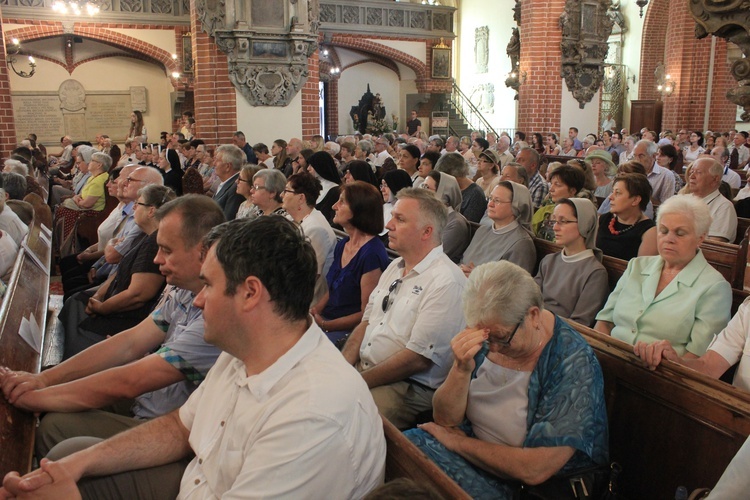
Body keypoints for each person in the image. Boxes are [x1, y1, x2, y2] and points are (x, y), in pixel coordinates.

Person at [0, 216, 387, 499]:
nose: (198, 300)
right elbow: (181, 427)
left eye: (208, 285)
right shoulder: (248, 349)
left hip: (206, 487)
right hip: (200, 480)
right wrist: (79, 465)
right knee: (69, 458)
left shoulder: (313, 417)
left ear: (250, 293)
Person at [0, 195, 226, 460]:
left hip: (170, 427)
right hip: (152, 401)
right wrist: (44, 380)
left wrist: (37, 396)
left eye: (167, 250)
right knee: (58, 399)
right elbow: (130, 342)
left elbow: (132, 381)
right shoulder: (184, 289)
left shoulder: (216, 316)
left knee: (54, 426)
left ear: (202, 251)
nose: (156, 259)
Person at [405, 261, 608, 499]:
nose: (492, 348)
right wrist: (461, 369)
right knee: (401, 451)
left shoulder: (571, 361)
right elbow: (444, 419)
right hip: (473, 452)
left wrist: (457, 443)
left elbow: (535, 469)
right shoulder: (492, 329)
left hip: (528, 488)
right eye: (483, 336)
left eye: (500, 338)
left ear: (533, 315)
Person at [342, 188, 467, 429]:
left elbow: (417, 360)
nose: (388, 224)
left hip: (407, 386)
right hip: (366, 371)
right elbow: (366, 322)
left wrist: (357, 382)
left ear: (426, 232)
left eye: (400, 219)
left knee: (347, 422)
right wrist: (344, 368)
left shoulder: (446, 281)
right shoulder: (395, 267)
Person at [595, 195, 732, 357]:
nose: (669, 239)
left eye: (680, 233)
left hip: (662, 375)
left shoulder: (714, 287)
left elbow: (697, 357)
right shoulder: (637, 266)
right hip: (609, 359)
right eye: (664, 231)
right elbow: (604, 322)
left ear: (700, 238)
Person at [59, 184, 175, 360]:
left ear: (151, 211)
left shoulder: (155, 243)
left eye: (138, 204)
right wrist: (98, 295)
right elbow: (118, 271)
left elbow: (138, 294)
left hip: (127, 318)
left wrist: (103, 307)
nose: (134, 207)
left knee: (75, 313)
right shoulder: (145, 235)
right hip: (114, 300)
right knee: (73, 303)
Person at [312, 181, 389, 345]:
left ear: (358, 210)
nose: (334, 206)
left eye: (342, 202)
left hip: (348, 330)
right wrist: (314, 312)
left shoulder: (372, 254)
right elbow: (331, 290)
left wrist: (326, 325)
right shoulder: (344, 244)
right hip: (327, 319)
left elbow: (365, 313)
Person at [534, 198, 609, 327]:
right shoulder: (548, 261)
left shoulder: (595, 273)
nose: (555, 227)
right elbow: (531, 299)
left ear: (584, 224)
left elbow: (580, 323)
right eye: (554, 221)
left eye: (563, 221)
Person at [282, 172, 337, 306]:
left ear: (301, 198)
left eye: (286, 191)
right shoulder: (290, 219)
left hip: (305, 301)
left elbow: (308, 276)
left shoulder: (316, 229)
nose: (281, 195)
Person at [462, 181, 536, 275]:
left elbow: (516, 285)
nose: (490, 204)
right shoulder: (482, 230)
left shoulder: (522, 243)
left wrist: (478, 277)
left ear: (515, 206)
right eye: (490, 198)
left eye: (497, 201)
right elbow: (463, 261)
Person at [597, 172, 658, 260]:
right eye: (612, 192)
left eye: (617, 193)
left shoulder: (650, 231)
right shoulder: (603, 220)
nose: (610, 197)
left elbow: (642, 270)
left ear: (635, 200)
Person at [424, 170, 471, 264]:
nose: (422, 192)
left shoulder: (456, 223)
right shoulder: (429, 216)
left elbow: (434, 256)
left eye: (427, 188)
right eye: (423, 186)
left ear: (442, 193)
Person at [687, 157, 737, 243]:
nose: (692, 176)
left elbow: (714, 246)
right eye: (691, 172)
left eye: (698, 172)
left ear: (715, 179)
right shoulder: (682, 199)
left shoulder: (724, 207)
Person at [530, 165, 585, 240]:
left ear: (572, 191)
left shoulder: (578, 217)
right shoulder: (544, 211)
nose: (551, 189)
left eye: (557, 185)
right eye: (551, 183)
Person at [435, 152, 487, 223]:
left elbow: (467, 225)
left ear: (455, 176)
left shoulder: (475, 194)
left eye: (445, 178)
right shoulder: (449, 188)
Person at [306, 150, 342, 224]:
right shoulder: (313, 186)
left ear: (320, 166)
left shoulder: (335, 191)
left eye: (311, 166)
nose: (308, 169)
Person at [211, 144, 245, 220]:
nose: (214, 164)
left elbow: (228, 220)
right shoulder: (226, 183)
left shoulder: (236, 187)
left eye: (217, 160)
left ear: (228, 166)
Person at [381, 169, 413, 238]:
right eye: (382, 185)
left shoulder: (408, 212)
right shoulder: (383, 208)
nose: (382, 189)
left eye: (386, 185)